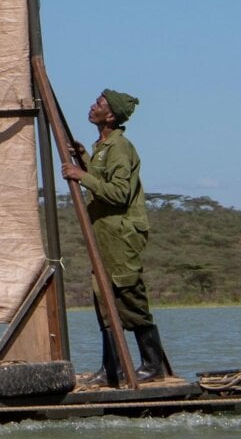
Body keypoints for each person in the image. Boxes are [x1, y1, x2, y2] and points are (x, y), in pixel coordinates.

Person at [61, 89, 172, 383]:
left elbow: (119, 193)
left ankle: (153, 365)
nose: (92, 106)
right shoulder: (103, 147)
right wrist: (84, 158)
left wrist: (81, 175)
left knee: (128, 297)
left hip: (121, 236)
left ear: (110, 115)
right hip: (104, 236)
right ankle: (113, 368)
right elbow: (103, 178)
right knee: (103, 299)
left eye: (99, 103)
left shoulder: (120, 148)